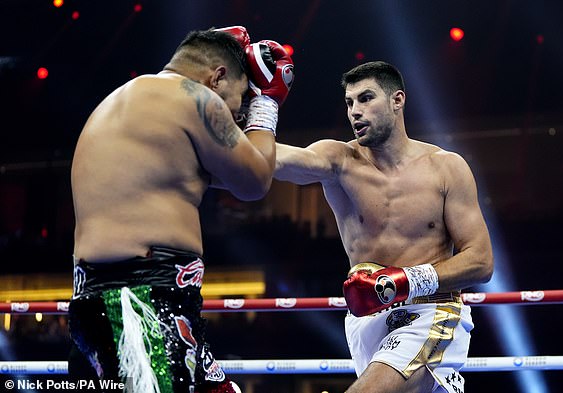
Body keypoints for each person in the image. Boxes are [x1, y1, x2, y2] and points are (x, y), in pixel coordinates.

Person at [69, 26, 294, 393]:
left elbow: (226, 171)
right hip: (141, 303)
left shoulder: (119, 105)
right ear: (217, 78)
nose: (237, 119)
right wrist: (267, 104)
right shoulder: (196, 98)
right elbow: (254, 182)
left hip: (107, 301)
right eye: (238, 103)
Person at [274, 61, 493, 393]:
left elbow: (481, 261)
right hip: (365, 321)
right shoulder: (339, 161)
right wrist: (260, 106)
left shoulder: (446, 168)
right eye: (349, 103)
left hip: (430, 311)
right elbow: (271, 162)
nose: (355, 112)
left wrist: (406, 281)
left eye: (365, 98)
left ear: (397, 100)